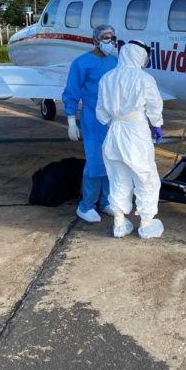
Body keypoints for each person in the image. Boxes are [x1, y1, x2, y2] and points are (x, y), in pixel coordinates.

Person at [96, 41, 165, 239]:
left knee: (118, 178)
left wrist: (114, 122)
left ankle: (119, 224)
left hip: (114, 133)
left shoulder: (107, 78)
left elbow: (100, 111)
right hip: (136, 133)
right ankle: (146, 224)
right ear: (139, 56)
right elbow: (154, 104)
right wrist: (157, 124)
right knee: (145, 177)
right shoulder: (145, 78)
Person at [62, 24, 119, 223]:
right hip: (92, 118)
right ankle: (86, 206)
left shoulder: (116, 61)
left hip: (113, 120)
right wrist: (71, 120)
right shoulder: (82, 63)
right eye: (105, 38)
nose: (110, 42)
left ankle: (105, 201)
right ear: (95, 40)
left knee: (111, 161)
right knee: (95, 162)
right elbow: (72, 91)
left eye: (112, 38)